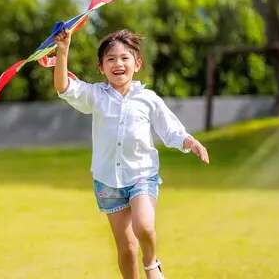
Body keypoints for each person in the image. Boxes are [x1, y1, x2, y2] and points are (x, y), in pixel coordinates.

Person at [53, 29, 209, 278]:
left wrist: (191, 142)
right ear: (101, 67)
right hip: (107, 181)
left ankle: (151, 264)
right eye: (111, 59)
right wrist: (62, 51)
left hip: (142, 175)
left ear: (137, 64)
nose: (118, 64)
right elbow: (64, 86)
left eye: (125, 58)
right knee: (126, 249)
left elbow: (171, 129)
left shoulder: (148, 99)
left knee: (144, 227)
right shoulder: (96, 95)